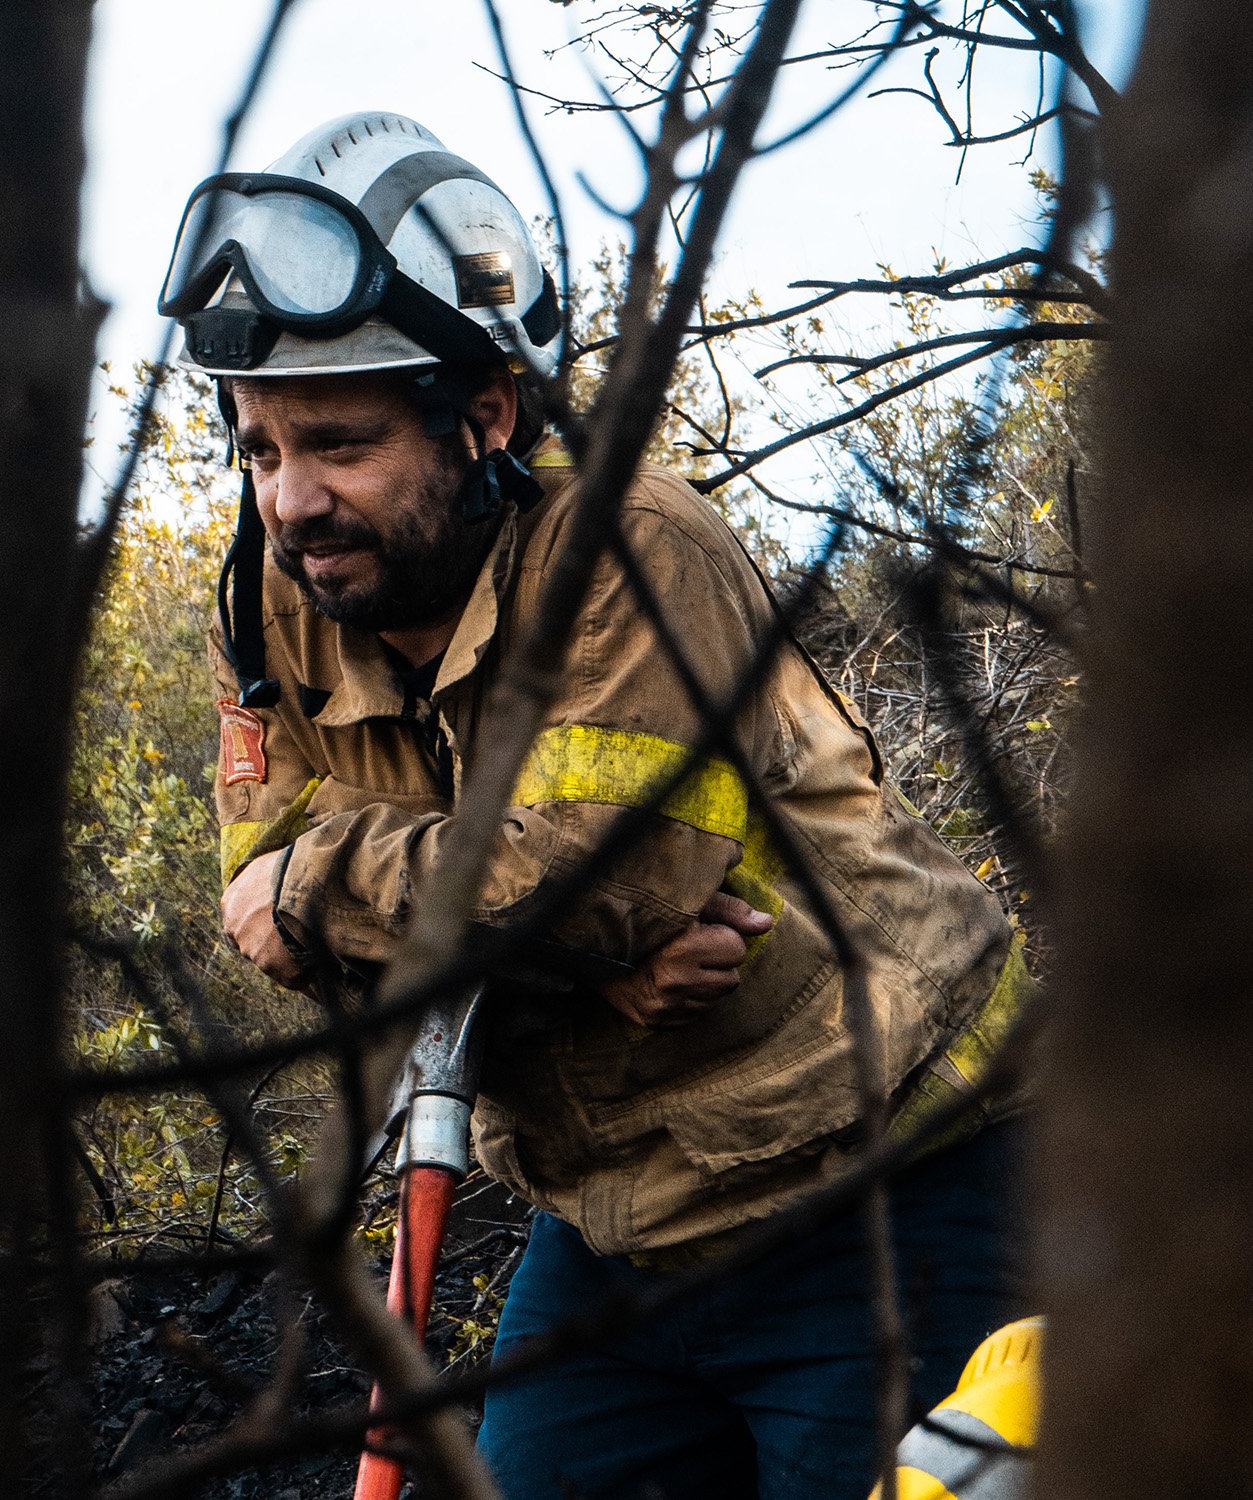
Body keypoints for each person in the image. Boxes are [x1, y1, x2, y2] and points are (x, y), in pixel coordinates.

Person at [160, 111, 1031, 1500]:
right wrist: (569, 964)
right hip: (617, 1218)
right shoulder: (270, 604)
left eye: (336, 442)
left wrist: (443, 909)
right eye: (256, 449)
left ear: (487, 412)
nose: (290, 500)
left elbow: (587, 881)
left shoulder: (633, 546)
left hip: (891, 1181)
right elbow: (258, 901)